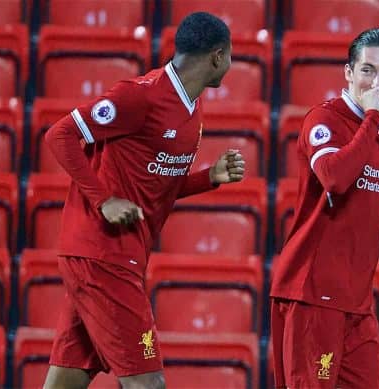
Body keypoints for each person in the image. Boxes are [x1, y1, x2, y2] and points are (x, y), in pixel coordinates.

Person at [42, 12, 245, 389]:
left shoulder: (192, 108)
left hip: (118, 255)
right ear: (218, 56)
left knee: (66, 381)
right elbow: (60, 135)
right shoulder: (140, 95)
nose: (231, 64)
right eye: (231, 56)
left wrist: (208, 178)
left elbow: (156, 184)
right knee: (148, 383)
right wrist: (104, 201)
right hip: (103, 254)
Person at [270, 28, 379, 389]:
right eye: (367, 70)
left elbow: (364, 186)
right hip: (314, 293)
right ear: (348, 72)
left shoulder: (374, 130)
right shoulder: (325, 120)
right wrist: (373, 119)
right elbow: (335, 178)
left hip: (356, 300)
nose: (377, 82)